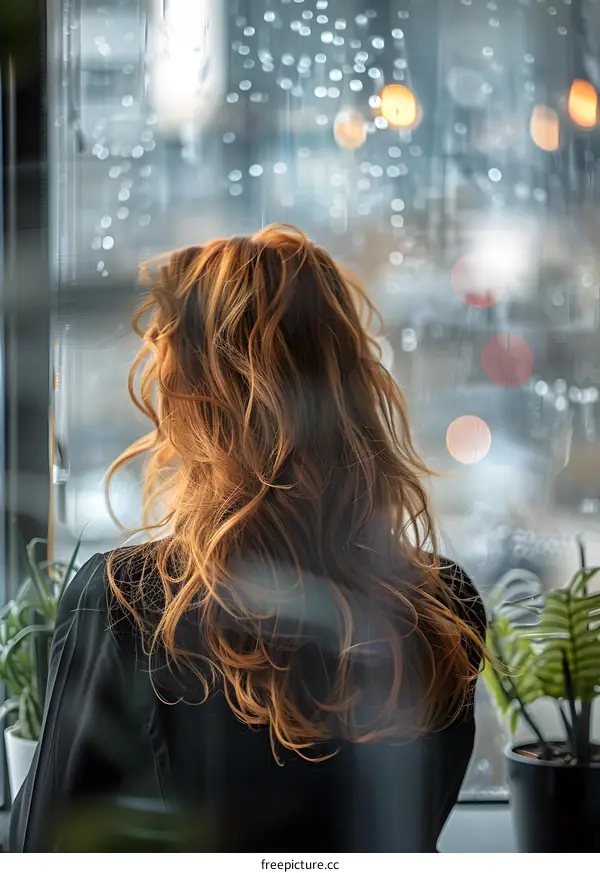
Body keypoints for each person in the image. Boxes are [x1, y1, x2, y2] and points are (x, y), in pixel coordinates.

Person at [10, 225, 486, 852]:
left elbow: (45, 849)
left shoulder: (126, 604)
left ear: (191, 401)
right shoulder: (443, 606)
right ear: (354, 386)